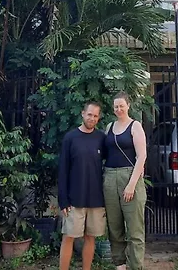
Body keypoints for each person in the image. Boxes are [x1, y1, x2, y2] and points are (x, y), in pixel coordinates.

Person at [58, 102, 107, 270]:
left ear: (98, 118)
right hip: (74, 199)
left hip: (96, 199)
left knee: (90, 238)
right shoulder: (70, 138)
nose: (92, 118)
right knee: (68, 237)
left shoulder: (101, 138)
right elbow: (63, 170)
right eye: (89, 114)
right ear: (83, 114)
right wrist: (63, 199)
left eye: (95, 116)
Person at [103, 91, 148, 270]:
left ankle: (136, 266)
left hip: (129, 177)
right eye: (116, 106)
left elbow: (142, 156)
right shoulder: (109, 127)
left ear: (128, 105)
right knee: (114, 228)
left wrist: (131, 184)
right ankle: (119, 265)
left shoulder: (135, 126)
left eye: (122, 105)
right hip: (109, 177)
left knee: (135, 229)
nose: (119, 109)